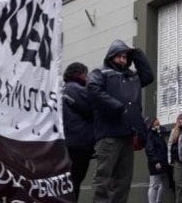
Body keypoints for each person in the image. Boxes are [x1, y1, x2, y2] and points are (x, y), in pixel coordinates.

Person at [87, 40, 153, 203]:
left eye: (125, 57)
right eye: (119, 56)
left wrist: (136, 53)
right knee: (103, 178)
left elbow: (148, 76)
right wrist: (117, 107)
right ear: (111, 56)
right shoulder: (100, 73)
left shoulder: (132, 77)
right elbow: (93, 90)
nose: (122, 60)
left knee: (123, 180)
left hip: (128, 135)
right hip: (108, 134)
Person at [62, 62, 94, 201]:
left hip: (67, 143)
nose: (87, 78)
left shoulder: (63, 90)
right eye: (86, 74)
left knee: (69, 183)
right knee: (75, 182)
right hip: (79, 144)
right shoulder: (75, 89)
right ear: (79, 74)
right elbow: (92, 108)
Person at [145, 116, 170, 203]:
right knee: (154, 184)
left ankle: (158, 201)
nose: (158, 126)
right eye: (156, 124)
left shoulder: (158, 134)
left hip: (163, 161)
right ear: (151, 125)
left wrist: (159, 131)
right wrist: (156, 161)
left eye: (158, 124)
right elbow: (149, 149)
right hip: (155, 162)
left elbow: (164, 129)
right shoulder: (150, 135)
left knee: (163, 183)